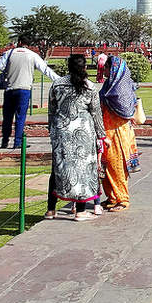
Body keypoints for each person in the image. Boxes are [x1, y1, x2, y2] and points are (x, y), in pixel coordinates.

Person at [45, 53, 105, 221]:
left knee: (57, 169)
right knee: (83, 170)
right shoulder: (90, 87)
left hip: (61, 131)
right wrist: (102, 135)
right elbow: (96, 113)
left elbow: (52, 110)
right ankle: (80, 211)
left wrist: (52, 130)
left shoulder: (57, 84)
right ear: (84, 67)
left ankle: (50, 209)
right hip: (83, 132)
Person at [0, 43, 62, 149]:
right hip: (24, 88)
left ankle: (5, 141)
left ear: (18, 43)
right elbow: (45, 70)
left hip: (10, 88)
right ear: (28, 45)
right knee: (20, 117)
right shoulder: (32, 55)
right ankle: (17, 142)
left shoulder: (9, 53)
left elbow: (0, 67)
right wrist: (60, 80)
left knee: (7, 117)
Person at [98, 54, 139, 212]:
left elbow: (126, 110)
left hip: (119, 133)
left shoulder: (119, 89)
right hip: (107, 131)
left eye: (106, 68)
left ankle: (122, 199)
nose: (104, 70)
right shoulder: (109, 85)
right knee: (105, 165)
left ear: (113, 69)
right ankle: (112, 197)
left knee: (116, 166)